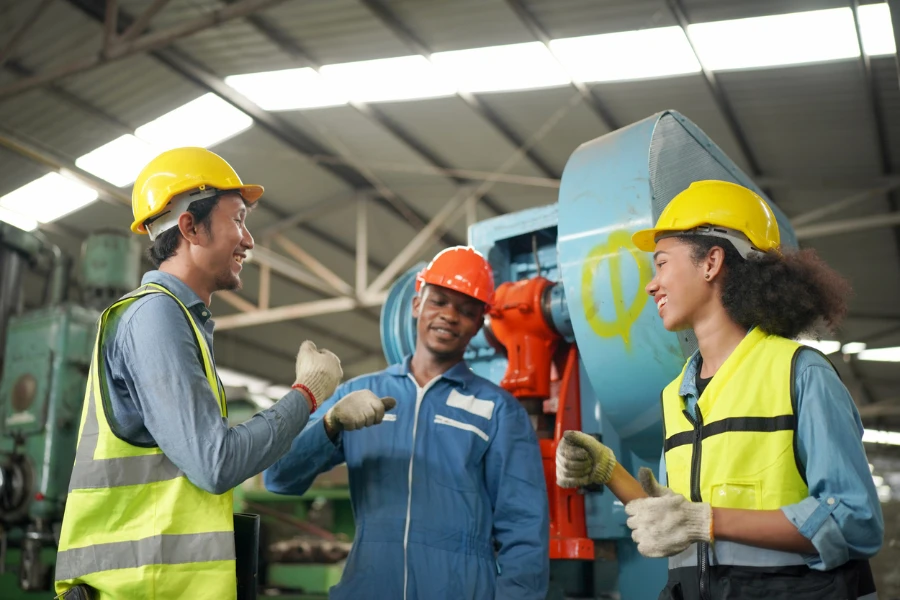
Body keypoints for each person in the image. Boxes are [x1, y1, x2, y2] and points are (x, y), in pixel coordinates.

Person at [53, 147, 384, 599]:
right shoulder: (155, 318)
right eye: (239, 220)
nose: (249, 240)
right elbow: (216, 463)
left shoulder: (183, 323)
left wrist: (327, 422)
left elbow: (232, 458)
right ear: (190, 226)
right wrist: (308, 392)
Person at [555, 180, 883, 599]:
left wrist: (707, 521)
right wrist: (608, 471)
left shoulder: (801, 373)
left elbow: (857, 522)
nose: (651, 285)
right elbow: (677, 521)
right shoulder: (677, 395)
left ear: (711, 262)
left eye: (661, 263)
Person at [264, 246, 550, 600]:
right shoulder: (360, 394)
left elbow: (524, 527)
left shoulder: (497, 410)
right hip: (369, 587)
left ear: (479, 324)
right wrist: (330, 423)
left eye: (466, 310)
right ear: (417, 304)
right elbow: (278, 477)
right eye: (439, 301)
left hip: (460, 590)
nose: (449, 316)